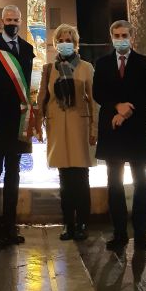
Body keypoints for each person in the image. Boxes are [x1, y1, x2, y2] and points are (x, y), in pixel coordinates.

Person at [93, 19, 146, 251]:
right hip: (112, 128)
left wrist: (128, 110)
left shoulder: (144, 62)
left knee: (141, 181)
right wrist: (117, 106)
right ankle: (119, 233)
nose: (120, 39)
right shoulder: (102, 63)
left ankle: (141, 233)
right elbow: (98, 92)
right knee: (114, 183)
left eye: (124, 35)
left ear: (132, 36)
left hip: (136, 128)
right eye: (117, 36)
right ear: (112, 38)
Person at [0, 5, 34, 246]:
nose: (12, 23)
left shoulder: (28, 49)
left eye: (16, 19)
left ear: (21, 21)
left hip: (17, 123)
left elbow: (27, 87)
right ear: (2, 22)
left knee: (14, 174)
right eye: (8, 20)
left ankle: (10, 225)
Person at [37, 23, 97, 241]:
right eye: (61, 40)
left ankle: (82, 223)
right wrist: (37, 125)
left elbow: (94, 101)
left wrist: (94, 128)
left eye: (68, 40)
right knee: (64, 178)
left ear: (75, 43)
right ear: (55, 44)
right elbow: (42, 98)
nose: (64, 44)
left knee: (80, 177)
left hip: (79, 126)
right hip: (57, 127)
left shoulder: (86, 67)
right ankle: (68, 224)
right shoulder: (48, 69)